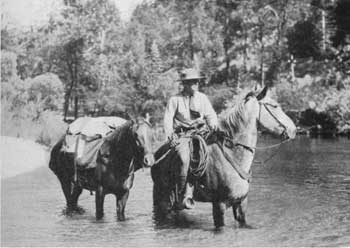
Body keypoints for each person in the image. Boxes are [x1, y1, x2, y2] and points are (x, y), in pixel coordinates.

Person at [163, 68, 218, 209]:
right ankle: (182, 193)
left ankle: (216, 186)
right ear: (185, 84)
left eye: (197, 82)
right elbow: (168, 120)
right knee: (183, 157)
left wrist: (213, 125)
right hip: (183, 135)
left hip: (201, 133)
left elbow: (211, 115)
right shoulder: (175, 100)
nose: (196, 85)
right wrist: (170, 136)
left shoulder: (202, 98)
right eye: (192, 82)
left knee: (217, 153)